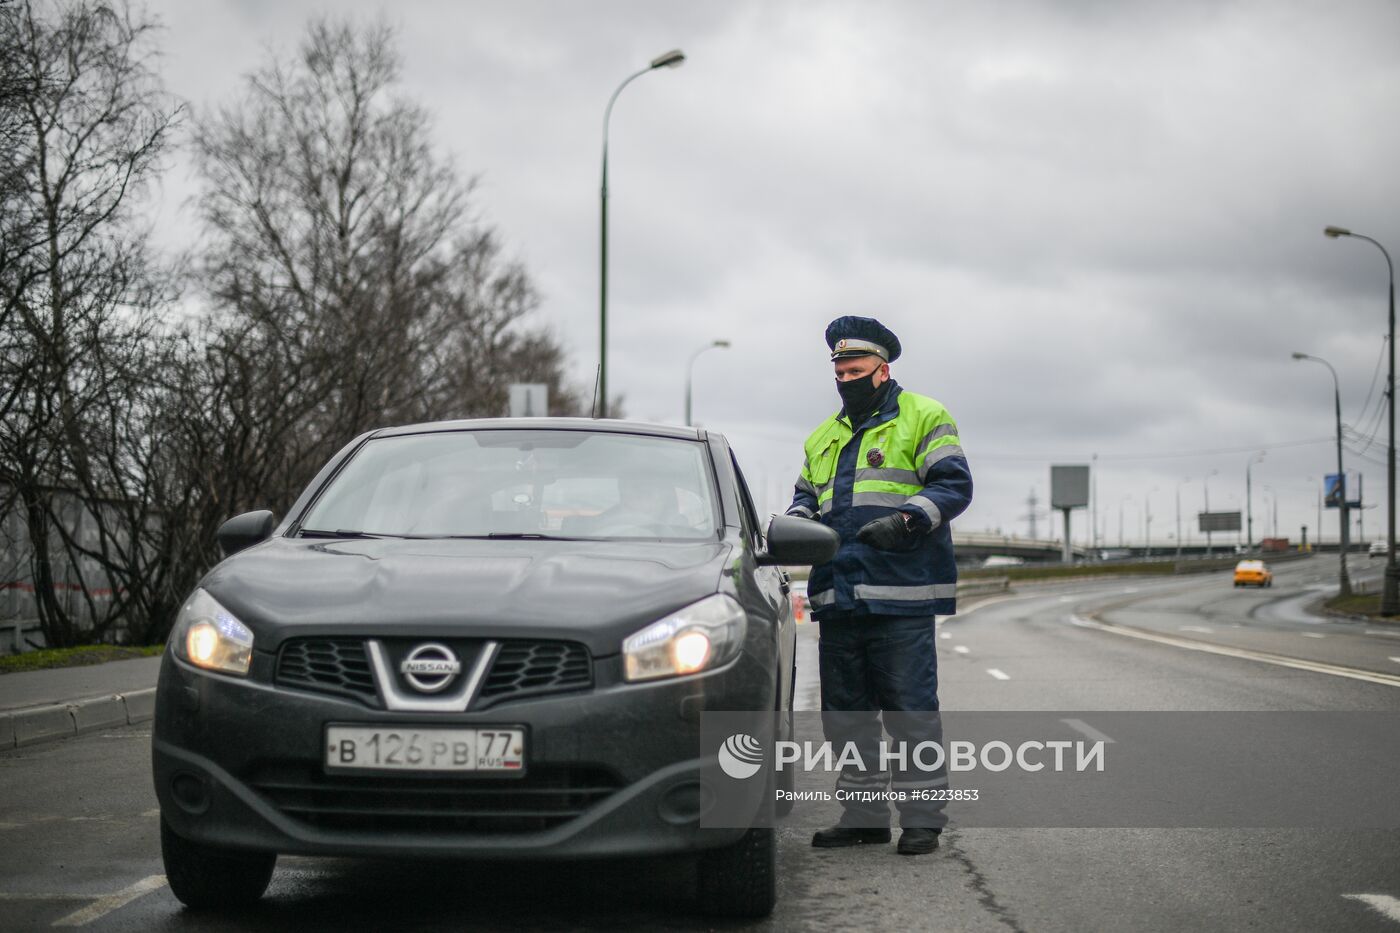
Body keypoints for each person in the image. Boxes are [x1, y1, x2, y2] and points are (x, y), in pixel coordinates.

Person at [786, 315, 973, 856]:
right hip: (837, 596)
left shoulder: (923, 415)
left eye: (855, 368)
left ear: (881, 369)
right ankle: (864, 816)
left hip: (900, 594)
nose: (845, 377)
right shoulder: (822, 436)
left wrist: (908, 520)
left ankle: (922, 820)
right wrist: (795, 523)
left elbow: (953, 485)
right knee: (846, 719)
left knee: (909, 713)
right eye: (838, 369)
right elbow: (805, 500)